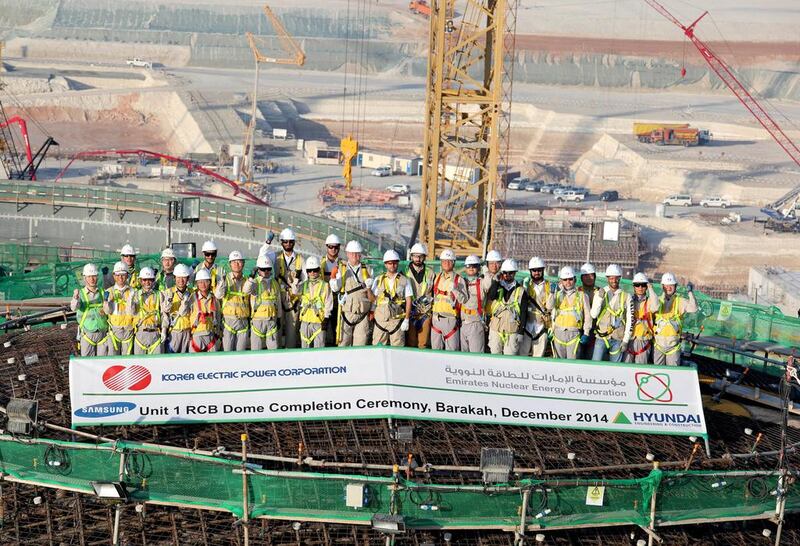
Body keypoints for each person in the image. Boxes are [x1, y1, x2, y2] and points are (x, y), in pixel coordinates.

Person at [330, 240, 373, 346]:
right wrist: (333, 278)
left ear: (360, 254)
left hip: (363, 314)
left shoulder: (368, 270)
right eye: (352, 253)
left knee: (360, 344)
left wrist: (372, 310)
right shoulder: (341, 268)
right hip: (346, 314)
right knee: (343, 343)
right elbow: (335, 288)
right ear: (347, 254)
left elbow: (373, 294)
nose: (354, 256)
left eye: (357, 253)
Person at [591, 264, 634, 362]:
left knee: (615, 368)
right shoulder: (600, 293)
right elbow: (593, 314)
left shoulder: (627, 296)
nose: (614, 281)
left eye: (616, 278)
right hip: (601, 337)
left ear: (620, 278)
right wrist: (599, 299)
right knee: (595, 366)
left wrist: (626, 340)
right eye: (611, 278)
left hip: (618, 338)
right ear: (607, 278)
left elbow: (630, 320)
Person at [653, 272, 698, 366]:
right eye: (666, 285)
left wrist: (690, 292)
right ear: (662, 286)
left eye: (671, 285)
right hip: (658, 346)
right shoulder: (657, 301)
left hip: (673, 347)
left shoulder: (680, 301)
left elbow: (693, 308)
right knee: (657, 374)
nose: (668, 288)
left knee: (672, 374)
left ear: (675, 286)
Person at [486, 259, 528, 355]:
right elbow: (491, 296)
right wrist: (496, 282)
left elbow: (523, 312)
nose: (507, 275)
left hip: (512, 330)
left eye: (511, 273)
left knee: (509, 359)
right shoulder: (497, 286)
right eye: (505, 273)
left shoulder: (521, 291)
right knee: (495, 356)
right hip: (496, 328)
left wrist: (521, 331)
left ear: (515, 273)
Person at [372, 250, 412, 347]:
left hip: (396, 321)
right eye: (390, 263)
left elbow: (409, 300)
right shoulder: (378, 279)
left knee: (398, 351)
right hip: (380, 320)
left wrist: (406, 319)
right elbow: (373, 299)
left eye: (395, 263)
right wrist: (368, 288)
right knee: (377, 348)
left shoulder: (404, 280)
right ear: (385, 264)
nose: (392, 265)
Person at [551, 266, 592, 360]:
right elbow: (549, 307)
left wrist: (586, 333)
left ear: (575, 279)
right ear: (561, 281)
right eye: (565, 280)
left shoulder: (582, 295)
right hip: (558, 332)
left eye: (570, 279)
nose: (568, 282)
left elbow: (588, 317)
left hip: (574, 333)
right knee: (558, 363)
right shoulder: (557, 294)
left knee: (572, 363)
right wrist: (551, 293)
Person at [431, 249, 468, 351]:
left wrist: (455, 290)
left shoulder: (459, 280)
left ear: (453, 263)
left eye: (449, 261)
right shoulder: (437, 277)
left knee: (451, 352)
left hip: (450, 321)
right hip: (436, 320)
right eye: (444, 261)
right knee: (435, 351)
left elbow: (464, 300)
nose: (446, 263)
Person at [216, 250, 252, 352]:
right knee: (227, 353)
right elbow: (218, 295)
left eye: (239, 261)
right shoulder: (225, 279)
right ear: (230, 264)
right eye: (234, 261)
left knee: (240, 354)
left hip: (243, 322)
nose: (237, 264)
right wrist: (221, 283)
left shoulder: (247, 281)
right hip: (228, 322)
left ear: (243, 263)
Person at [245, 255, 283, 350]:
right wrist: (251, 278)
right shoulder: (254, 282)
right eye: (263, 269)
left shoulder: (274, 283)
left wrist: (278, 318)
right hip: (258, 321)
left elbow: (278, 301)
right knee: (256, 350)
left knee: (273, 350)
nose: (266, 271)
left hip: (271, 321)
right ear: (258, 270)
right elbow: (246, 291)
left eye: (268, 269)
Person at [293, 257, 333, 348]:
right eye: (309, 270)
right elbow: (295, 291)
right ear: (307, 272)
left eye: (314, 270)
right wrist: (297, 277)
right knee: (305, 348)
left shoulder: (325, 285)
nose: (312, 273)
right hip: (305, 321)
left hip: (319, 322)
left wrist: (326, 319)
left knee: (319, 349)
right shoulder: (303, 284)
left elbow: (328, 303)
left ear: (319, 270)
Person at [275, 228, 306, 348]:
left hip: (294, 301)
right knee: (276, 330)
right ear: (281, 242)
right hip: (278, 299)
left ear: (294, 242)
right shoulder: (275, 257)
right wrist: (267, 242)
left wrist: (297, 285)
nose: (288, 244)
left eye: (290, 242)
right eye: (285, 241)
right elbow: (262, 255)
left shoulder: (301, 259)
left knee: (292, 332)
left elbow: (305, 280)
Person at [71, 263, 109, 356]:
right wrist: (75, 298)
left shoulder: (102, 292)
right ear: (85, 278)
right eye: (89, 277)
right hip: (87, 334)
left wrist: (107, 303)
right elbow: (74, 308)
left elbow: (108, 311)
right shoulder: (81, 294)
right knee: (88, 362)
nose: (92, 279)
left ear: (97, 277)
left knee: (102, 364)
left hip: (102, 333)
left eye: (94, 276)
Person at [519, 257, 554, 358]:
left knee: (538, 357)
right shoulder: (525, 284)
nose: (536, 273)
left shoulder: (549, 286)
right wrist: (523, 289)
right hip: (527, 325)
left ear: (543, 270)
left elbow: (550, 308)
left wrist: (551, 293)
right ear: (530, 271)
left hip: (541, 326)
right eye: (534, 270)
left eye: (539, 270)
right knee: (522, 355)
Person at [404, 243, 436, 348]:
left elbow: (434, 293)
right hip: (410, 312)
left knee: (423, 343)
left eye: (420, 256)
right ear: (411, 256)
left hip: (425, 313)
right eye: (415, 256)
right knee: (411, 343)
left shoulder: (431, 273)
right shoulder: (404, 272)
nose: (418, 259)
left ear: (424, 257)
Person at [460, 254, 491, 353]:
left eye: (474, 266)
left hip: (476, 323)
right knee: (464, 354)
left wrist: (485, 269)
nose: (471, 268)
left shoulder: (482, 282)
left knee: (476, 354)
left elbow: (488, 284)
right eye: (469, 266)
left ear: (478, 267)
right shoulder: (463, 282)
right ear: (465, 268)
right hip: (464, 322)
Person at [103, 261, 135, 356]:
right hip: (114, 330)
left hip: (128, 330)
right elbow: (107, 311)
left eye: (123, 275)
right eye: (118, 275)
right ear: (114, 276)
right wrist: (106, 302)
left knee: (127, 360)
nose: (120, 278)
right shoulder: (109, 291)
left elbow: (135, 312)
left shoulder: (133, 292)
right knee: (113, 359)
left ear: (127, 275)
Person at [626, 272, 659, 364]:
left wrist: (651, 289)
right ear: (634, 286)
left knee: (639, 369)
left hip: (643, 340)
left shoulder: (650, 301)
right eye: (637, 285)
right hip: (629, 339)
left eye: (643, 285)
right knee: (625, 367)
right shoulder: (629, 300)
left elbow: (656, 307)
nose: (640, 288)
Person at [161, 264, 194, 353]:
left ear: (187, 278)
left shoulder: (192, 293)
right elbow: (164, 314)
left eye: (183, 277)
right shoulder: (167, 292)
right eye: (178, 278)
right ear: (174, 278)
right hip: (173, 332)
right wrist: (164, 330)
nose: (181, 280)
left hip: (188, 332)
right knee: (171, 361)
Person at [131, 267, 164, 354]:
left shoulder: (159, 294)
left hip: (155, 332)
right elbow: (132, 312)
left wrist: (164, 330)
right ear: (141, 281)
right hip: (141, 333)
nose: (147, 282)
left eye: (150, 280)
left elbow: (164, 314)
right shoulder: (136, 294)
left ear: (153, 281)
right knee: (139, 364)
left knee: (157, 364)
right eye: (145, 280)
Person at [321, 234, 345, 345]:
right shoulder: (321, 263)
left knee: (337, 327)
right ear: (327, 247)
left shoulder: (343, 264)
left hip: (338, 301)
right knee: (323, 327)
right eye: (331, 247)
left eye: (336, 247)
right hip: (324, 300)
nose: (333, 249)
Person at [189, 268, 220, 352]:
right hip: (196, 336)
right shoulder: (192, 298)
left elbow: (218, 317)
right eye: (200, 282)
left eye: (206, 281)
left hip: (211, 335)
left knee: (212, 364)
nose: (203, 284)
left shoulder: (214, 299)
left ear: (210, 282)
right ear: (197, 284)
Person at [578, 262, 598, 358]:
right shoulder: (578, 292)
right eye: (585, 276)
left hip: (595, 331)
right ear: (581, 278)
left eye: (591, 275)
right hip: (579, 330)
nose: (589, 278)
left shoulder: (600, 292)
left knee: (591, 356)